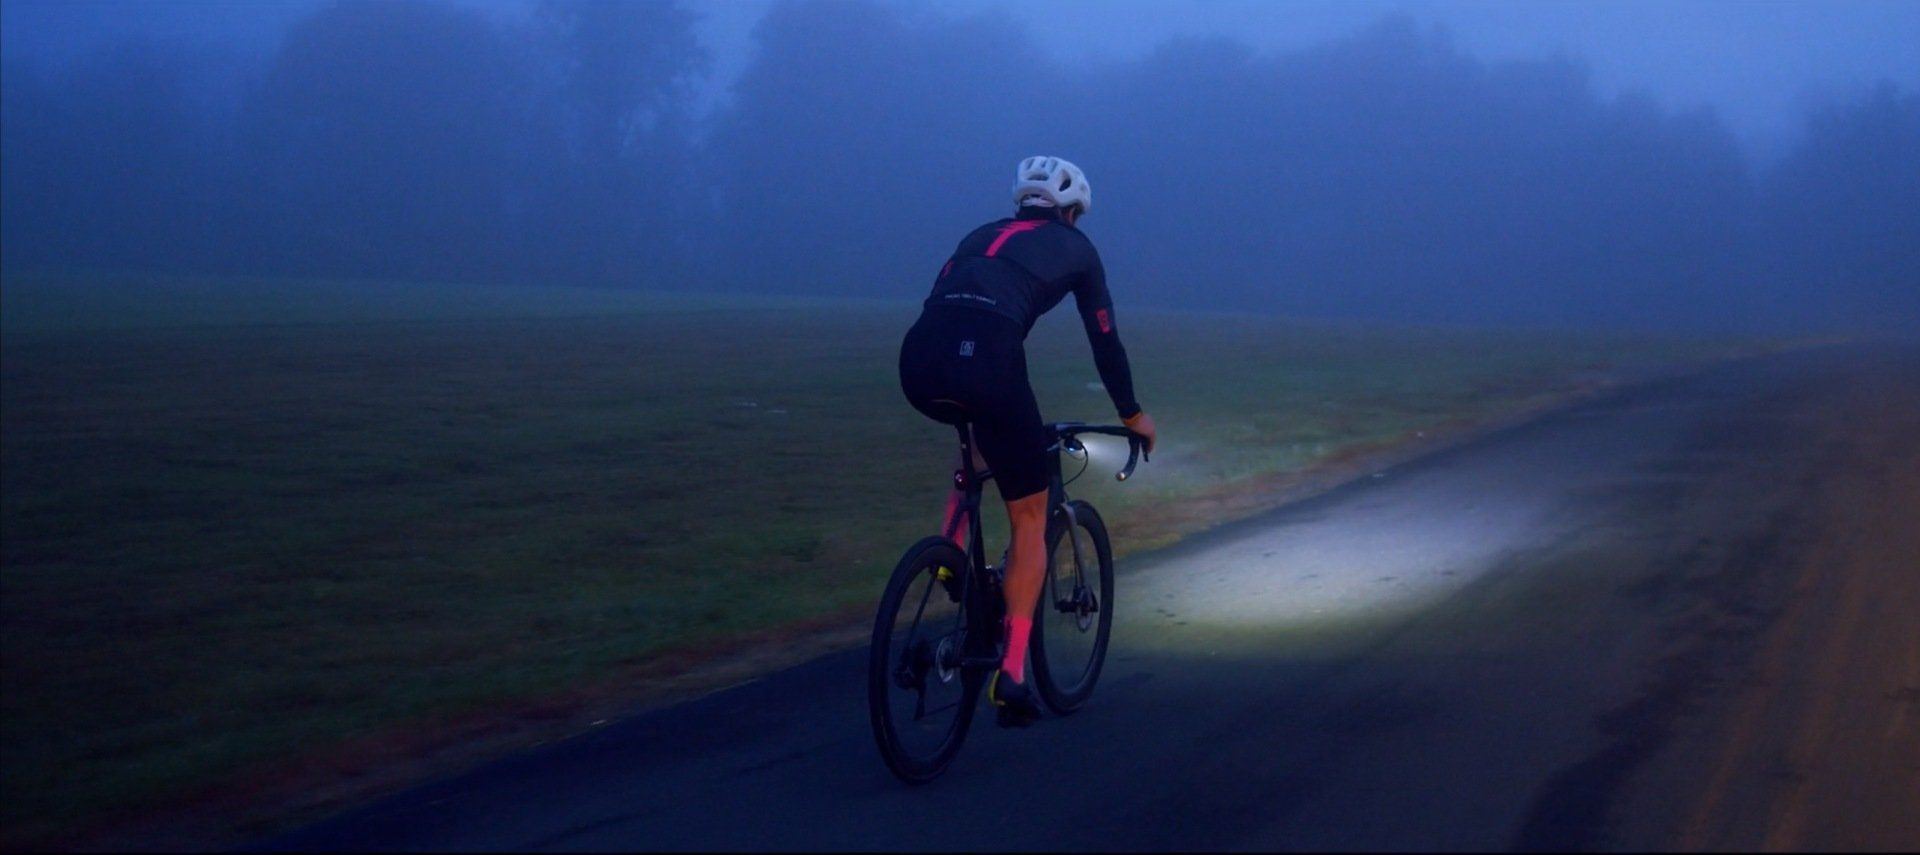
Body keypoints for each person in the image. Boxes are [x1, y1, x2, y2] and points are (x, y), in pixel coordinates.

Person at [898, 155, 1156, 727]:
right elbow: (1104, 340)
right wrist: (1133, 413)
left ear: (1023, 203)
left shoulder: (979, 234)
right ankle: (1010, 675)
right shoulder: (1078, 250)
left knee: (979, 435)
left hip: (918, 359)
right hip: (988, 360)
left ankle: (950, 549)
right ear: (1070, 213)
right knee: (1030, 516)